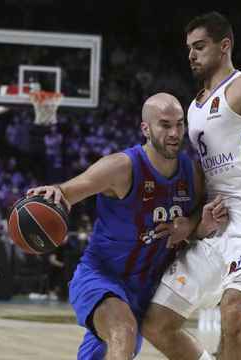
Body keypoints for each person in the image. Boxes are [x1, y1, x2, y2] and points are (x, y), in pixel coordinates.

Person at [142, 12, 241, 360]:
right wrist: (194, 222)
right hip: (218, 228)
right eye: (189, 48)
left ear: (224, 46)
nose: (191, 55)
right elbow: (201, 172)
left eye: (199, 47)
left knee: (233, 313)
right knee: (156, 323)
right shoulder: (195, 107)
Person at [27, 93, 227, 360]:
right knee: (123, 330)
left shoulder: (192, 174)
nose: (174, 132)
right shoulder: (121, 168)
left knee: (117, 345)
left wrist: (193, 225)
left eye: (179, 124)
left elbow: (196, 227)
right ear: (145, 128)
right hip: (101, 277)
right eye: (165, 125)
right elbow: (66, 192)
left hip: (147, 289)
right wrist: (51, 194)